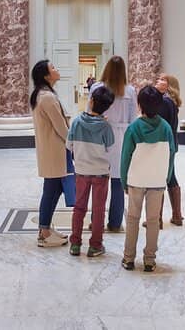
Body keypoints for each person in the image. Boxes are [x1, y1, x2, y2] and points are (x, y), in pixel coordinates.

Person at [120, 86, 176, 273]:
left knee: (133, 219)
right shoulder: (166, 128)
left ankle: (128, 258)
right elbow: (171, 154)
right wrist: (166, 177)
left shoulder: (134, 128)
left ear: (139, 105)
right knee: (153, 220)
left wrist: (123, 181)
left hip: (136, 180)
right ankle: (150, 260)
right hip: (158, 181)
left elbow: (125, 156)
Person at [65, 85, 116, 258]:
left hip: (81, 171)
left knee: (79, 207)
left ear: (91, 101)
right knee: (99, 209)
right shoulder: (106, 127)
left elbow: (68, 145)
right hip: (101, 172)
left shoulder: (77, 121)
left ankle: (75, 244)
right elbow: (110, 149)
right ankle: (95, 245)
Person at [91, 56, 137, 233]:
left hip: (101, 135)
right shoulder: (131, 91)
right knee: (118, 182)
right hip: (122, 137)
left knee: (99, 182)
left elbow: (91, 113)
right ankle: (115, 222)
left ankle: (97, 222)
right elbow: (133, 119)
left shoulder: (97, 87)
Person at [31, 59, 70, 247]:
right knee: (51, 190)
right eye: (52, 67)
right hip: (55, 150)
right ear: (46, 76)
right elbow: (61, 128)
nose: (56, 69)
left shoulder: (45, 95)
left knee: (54, 189)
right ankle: (44, 232)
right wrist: (73, 144)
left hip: (52, 149)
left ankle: (45, 228)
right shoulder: (47, 97)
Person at [154, 73, 184, 227]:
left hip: (163, 145)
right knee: (171, 176)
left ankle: (156, 218)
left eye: (162, 79)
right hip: (171, 144)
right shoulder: (171, 101)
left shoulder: (164, 101)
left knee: (160, 178)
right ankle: (177, 215)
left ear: (169, 85)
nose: (158, 81)